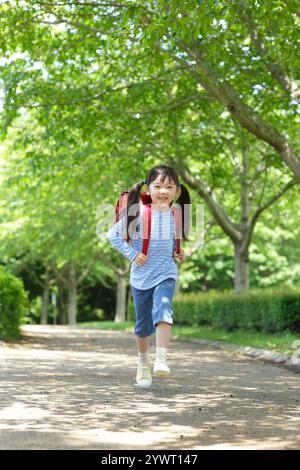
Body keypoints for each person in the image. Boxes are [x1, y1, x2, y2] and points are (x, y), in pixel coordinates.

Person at [107, 165, 191, 388]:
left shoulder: (176, 214)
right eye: (158, 186)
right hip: (141, 277)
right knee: (143, 326)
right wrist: (133, 254)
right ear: (148, 188)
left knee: (164, 309)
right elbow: (112, 235)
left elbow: (175, 242)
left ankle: (161, 360)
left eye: (169, 186)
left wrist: (179, 252)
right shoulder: (137, 213)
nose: (163, 191)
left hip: (166, 272)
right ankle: (143, 362)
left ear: (177, 191)